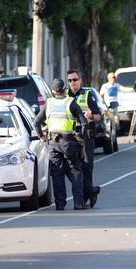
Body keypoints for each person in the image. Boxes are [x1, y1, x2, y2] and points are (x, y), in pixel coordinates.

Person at [34, 79, 88, 210]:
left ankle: (60, 204)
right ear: (64, 89)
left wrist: (42, 136)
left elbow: (36, 122)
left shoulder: (49, 103)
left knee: (57, 173)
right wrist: (80, 136)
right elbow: (84, 123)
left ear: (52, 92)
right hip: (68, 142)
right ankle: (79, 203)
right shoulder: (70, 102)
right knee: (75, 171)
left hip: (52, 142)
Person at [66, 70, 101, 208]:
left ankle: (86, 199)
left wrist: (91, 115)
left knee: (86, 168)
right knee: (74, 168)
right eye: (69, 81)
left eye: (74, 80)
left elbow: (98, 117)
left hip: (86, 136)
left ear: (80, 80)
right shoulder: (66, 96)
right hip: (72, 136)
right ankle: (89, 193)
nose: (72, 83)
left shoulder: (87, 94)